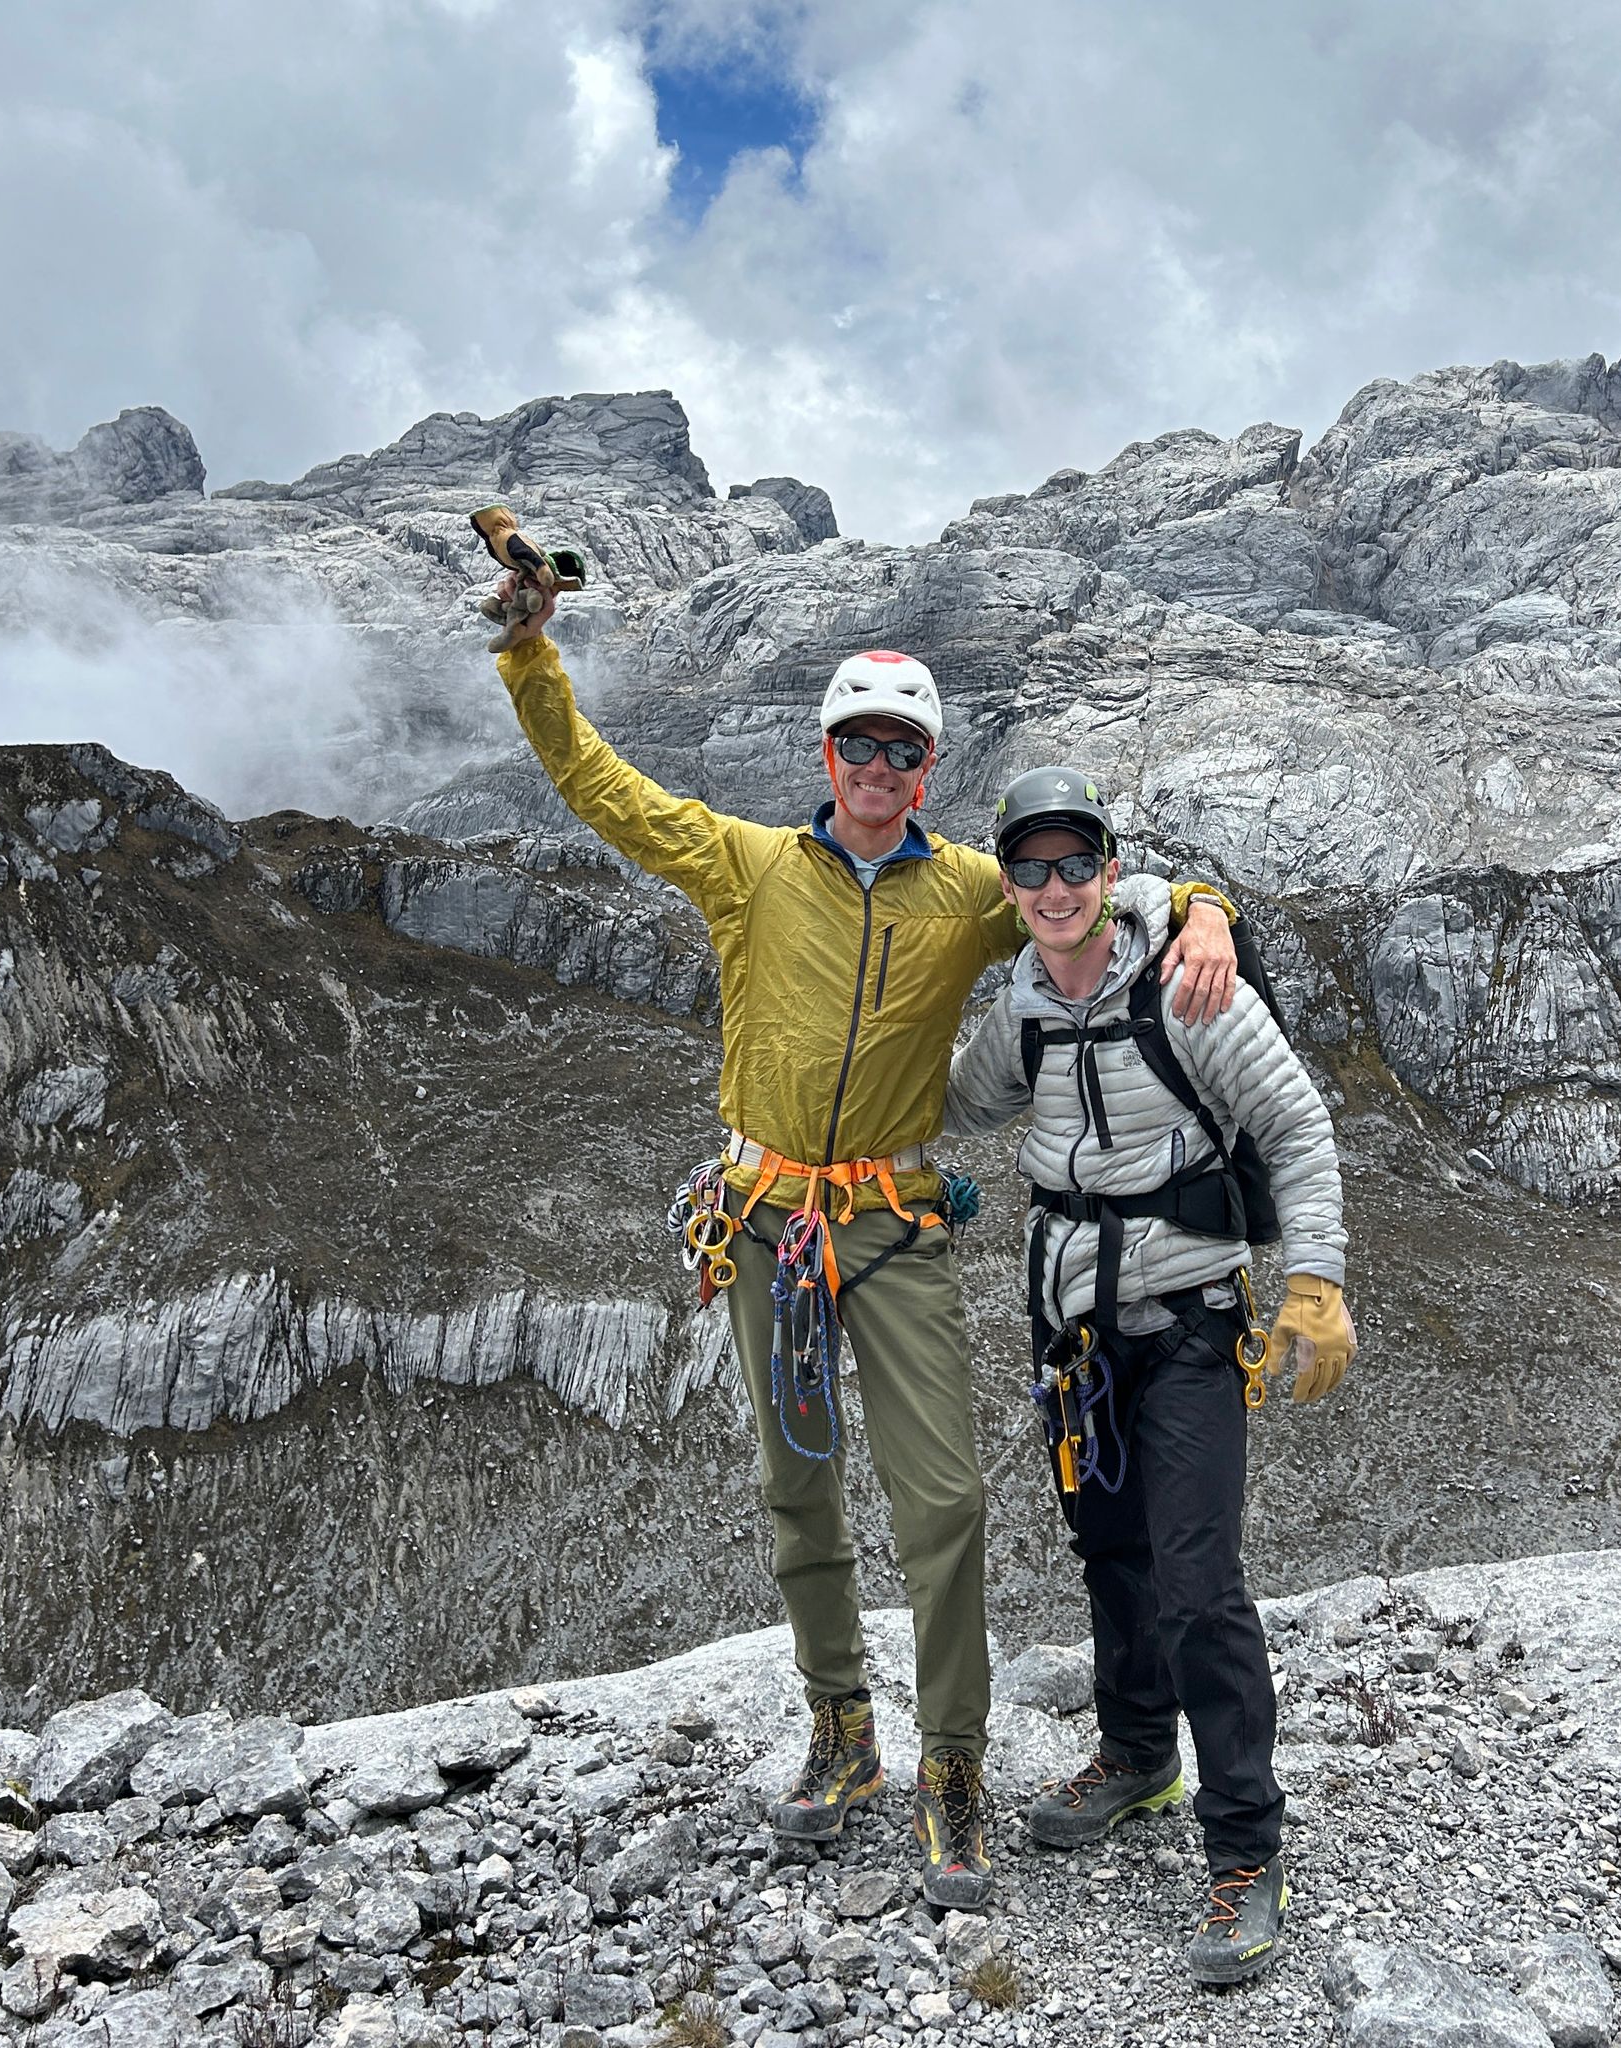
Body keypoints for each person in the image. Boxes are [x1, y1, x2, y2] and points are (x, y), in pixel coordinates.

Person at [484, 533, 1239, 1908]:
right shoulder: (745, 865)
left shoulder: (966, 892)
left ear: (928, 770)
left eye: (903, 752)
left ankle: (952, 1767)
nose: (879, 771)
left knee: (941, 1499)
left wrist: (1199, 911)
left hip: (890, 1228)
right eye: (859, 747)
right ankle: (841, 1739)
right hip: (766, 1217)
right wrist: (533, 654)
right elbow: (599, 788)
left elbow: (1079, 901)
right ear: (824, 758)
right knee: (796, 1489)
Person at [944, 765, 1355, 1979]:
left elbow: (1294, 1126)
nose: (1056, 885)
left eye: (1077, 862)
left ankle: (1243, 1847)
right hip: (1071, 1327)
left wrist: (1314, 1282)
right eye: (1032, 865)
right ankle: (1135, 1754)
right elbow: (950, 1097)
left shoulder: (1188, 981)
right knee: (1108, 1547)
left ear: (1110, 870)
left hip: (1183, 1319)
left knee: (1194, 1575)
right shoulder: (1017, 1007)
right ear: (1009, 882)